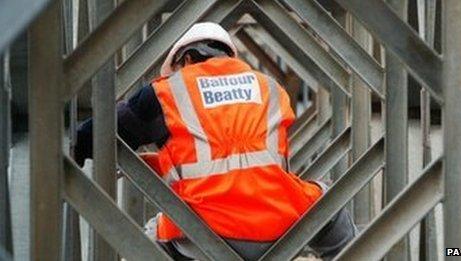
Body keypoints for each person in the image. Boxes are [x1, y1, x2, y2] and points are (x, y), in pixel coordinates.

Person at [75, 22, 356, 260]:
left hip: (201, 234)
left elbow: (101, 132)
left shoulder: (167, 91)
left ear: (184, 60)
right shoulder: (269, 87)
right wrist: (161, 163)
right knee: (329, 205)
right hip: (277, 227)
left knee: (146, 240)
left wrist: (72, 149)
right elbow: (246, 159)